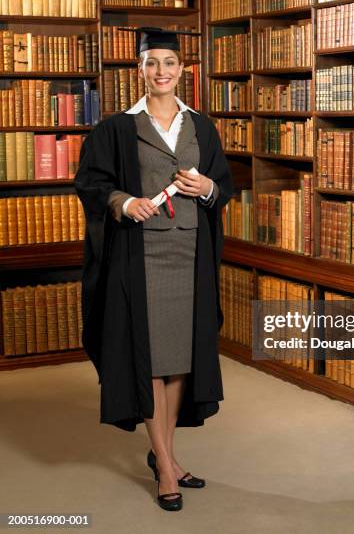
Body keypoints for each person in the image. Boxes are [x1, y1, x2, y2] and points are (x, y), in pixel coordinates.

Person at [74, 27, 233, 512]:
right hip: (138, 259)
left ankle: (163, 451)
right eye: (151, 63)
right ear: (139, 70)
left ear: (182, 69)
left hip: (190, 256)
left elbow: (221, 188)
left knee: (180, 358)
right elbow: (91, 184)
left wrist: (206, 185)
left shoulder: (202, 128)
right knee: (149, 362)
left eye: (169, 62)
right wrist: (123, 203)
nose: (160, 71)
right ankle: (166, 465)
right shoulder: (116, 128)